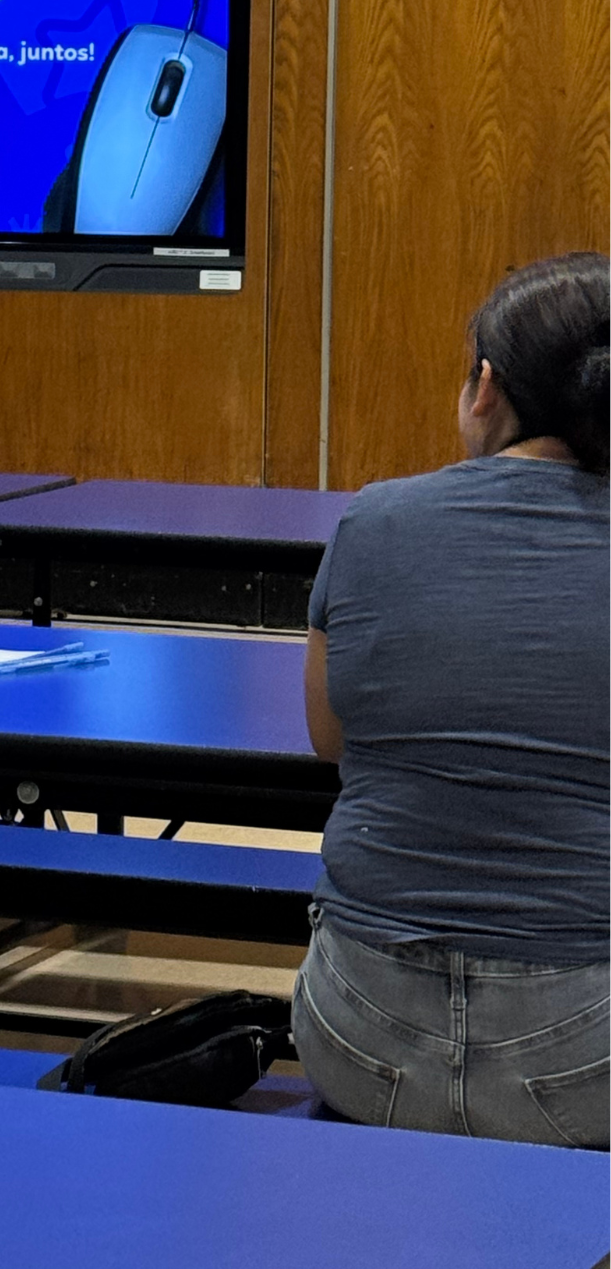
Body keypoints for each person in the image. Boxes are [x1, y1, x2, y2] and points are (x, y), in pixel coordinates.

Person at [295, 251, 611, 1145]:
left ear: (484, 388)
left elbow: (330, 735)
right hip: (591, 1059)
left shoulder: (373, 519)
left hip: (356, 1036)